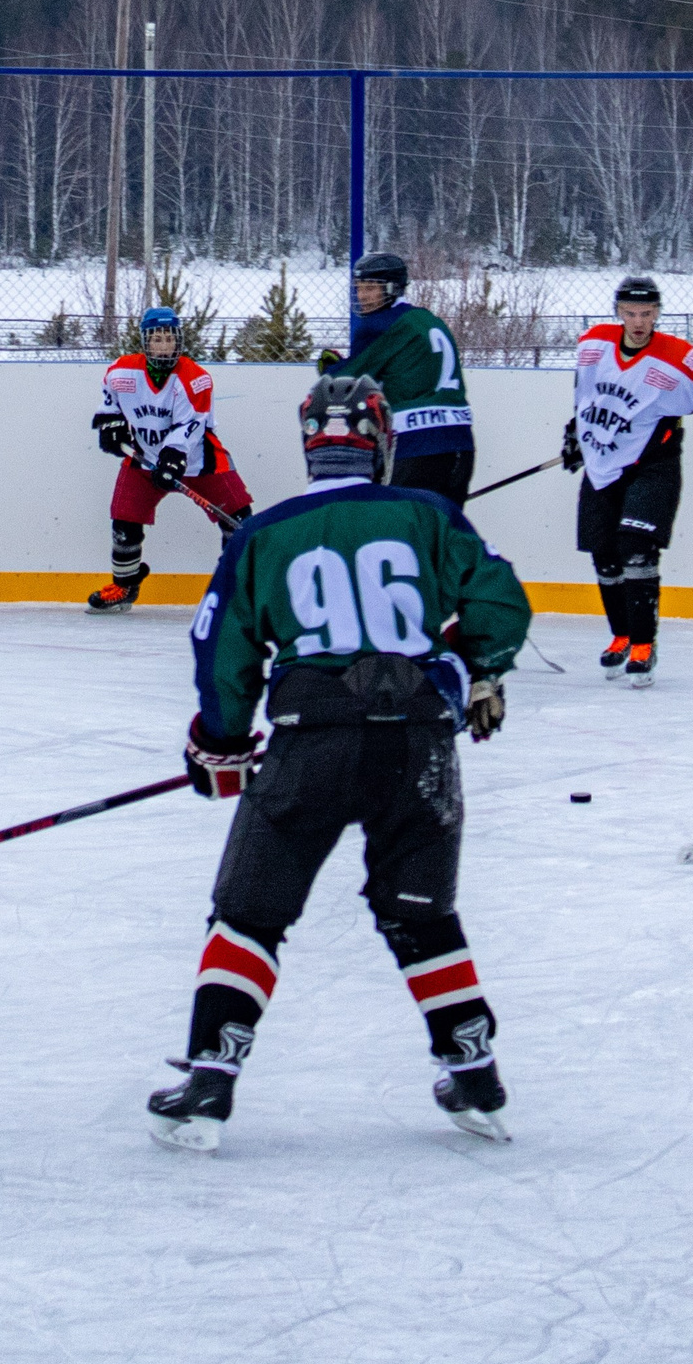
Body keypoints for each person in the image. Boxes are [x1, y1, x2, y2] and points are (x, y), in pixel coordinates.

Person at [146, 375, 533, 1154]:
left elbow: (221, 645)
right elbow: (500, 605)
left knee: (252, 910)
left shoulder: (265, 533)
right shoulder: (429, 514)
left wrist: (219, 741)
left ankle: (212, 1074)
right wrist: (472, 673)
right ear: (382, 440)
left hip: (311, 734)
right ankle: (473, 1064)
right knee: (420, 909)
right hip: (418, 741)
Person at [562, 275, 693, 687]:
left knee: (635, 548)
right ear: (618, 312)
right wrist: (574, 435)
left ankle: (643, 643)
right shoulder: (592, 346)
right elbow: (587, 399)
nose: (639, 322)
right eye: (631, 313)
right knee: (605, 556)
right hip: (603, 465)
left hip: (653, 465)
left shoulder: (676, 359)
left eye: (647, 313)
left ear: (658, 314)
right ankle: (620, 635)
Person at [86, 305, 253, 613]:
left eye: (169, 339)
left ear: (178, 341)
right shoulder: (121, 372)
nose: (163, 346)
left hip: (199, 462)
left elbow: (190, 427)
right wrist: (110, 426)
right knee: (124, 520)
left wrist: (173, 458)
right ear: (145, 342)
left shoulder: (196, 378)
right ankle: (124, 586)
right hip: (144, 459)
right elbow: (109, 406)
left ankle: (235, 588)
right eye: (157, 339)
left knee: (240, 519)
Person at [312, 252, 477, 504]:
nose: (362, 296)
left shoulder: (381, 324)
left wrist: (329, 367)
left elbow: (345, 383)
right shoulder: (428, 320)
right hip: (461, 444)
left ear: (392, 288)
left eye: (370, 288)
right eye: (359, 288)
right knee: (442, 536)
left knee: (400, 534)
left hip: (415, 446)